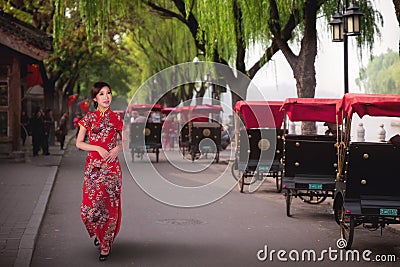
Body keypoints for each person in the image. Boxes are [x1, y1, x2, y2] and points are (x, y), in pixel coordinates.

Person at [76, 81, 124, 261]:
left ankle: (106, 244)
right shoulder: (87, 119)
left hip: (112, 168)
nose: (106, 97)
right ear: (95, 98)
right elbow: (79, 143)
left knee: (110, 207)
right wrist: (97, 148)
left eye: (109, 93)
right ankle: (98, 232)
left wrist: (116, 149)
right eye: (102, 94)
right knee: (89, 208)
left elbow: (125, 141)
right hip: (93, 168)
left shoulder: (117, 118)